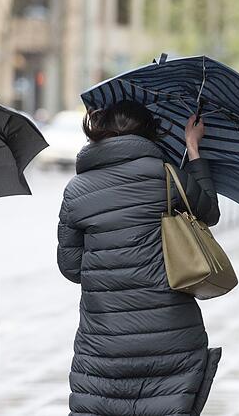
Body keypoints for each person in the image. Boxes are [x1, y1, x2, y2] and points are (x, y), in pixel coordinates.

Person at [57, 100, 221, 416]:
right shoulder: (167, 176)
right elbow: (209, 212)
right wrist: (192, 147)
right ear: (149, 134)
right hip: (172, 338)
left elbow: (71, 267)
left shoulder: (76, 190)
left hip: (103, 342)